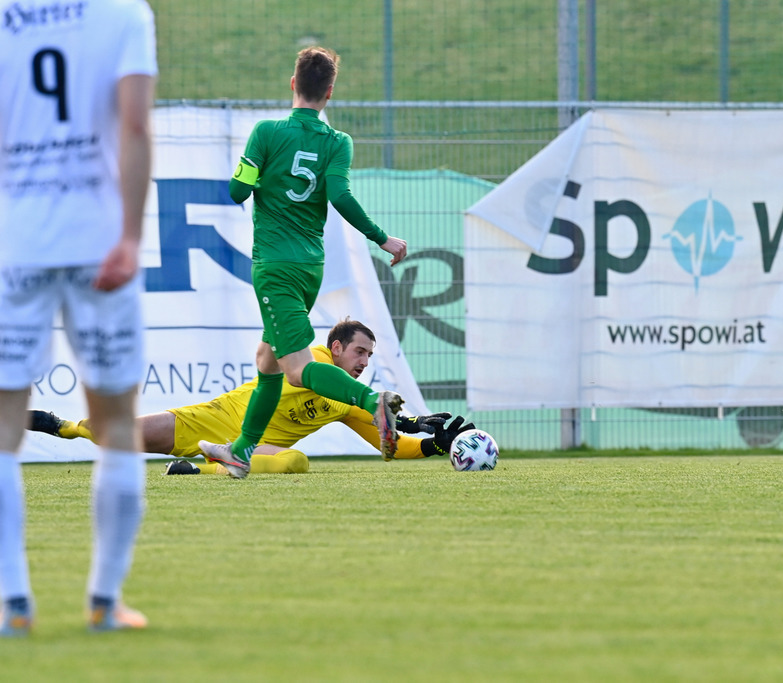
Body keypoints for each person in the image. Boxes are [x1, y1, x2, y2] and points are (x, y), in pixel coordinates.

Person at [0, 1, 158, 635]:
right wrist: (131, 236)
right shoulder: (125, 14)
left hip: (17, 246)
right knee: (116, 423)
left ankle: (13, 603)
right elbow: (135, 125)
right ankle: (104, 601)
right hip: (98, 244)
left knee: (2, 429)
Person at [200, 46, 408, 481]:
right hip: (310, 267)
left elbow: (238, 192)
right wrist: (381, 238)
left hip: (275, 266)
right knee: (267, 361)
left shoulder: (266, 133)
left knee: (295, 370)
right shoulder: (338, 142)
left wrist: (254, 173)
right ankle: (241, 451)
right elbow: (339, 196)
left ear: (293, 83)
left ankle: (373, 403)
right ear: (329, 92)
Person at [28, 320, 474, 474]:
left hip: (259, 447)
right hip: (211, 419)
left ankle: (199, 469)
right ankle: (63, 426)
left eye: (370, 355)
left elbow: (387, 446)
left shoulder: (349, 400)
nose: (364, 360)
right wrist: (397, 414)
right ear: (336, 347)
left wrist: (431, 444)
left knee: (295, 463)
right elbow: (318, 379)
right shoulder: (312, 359)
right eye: (360, 351)